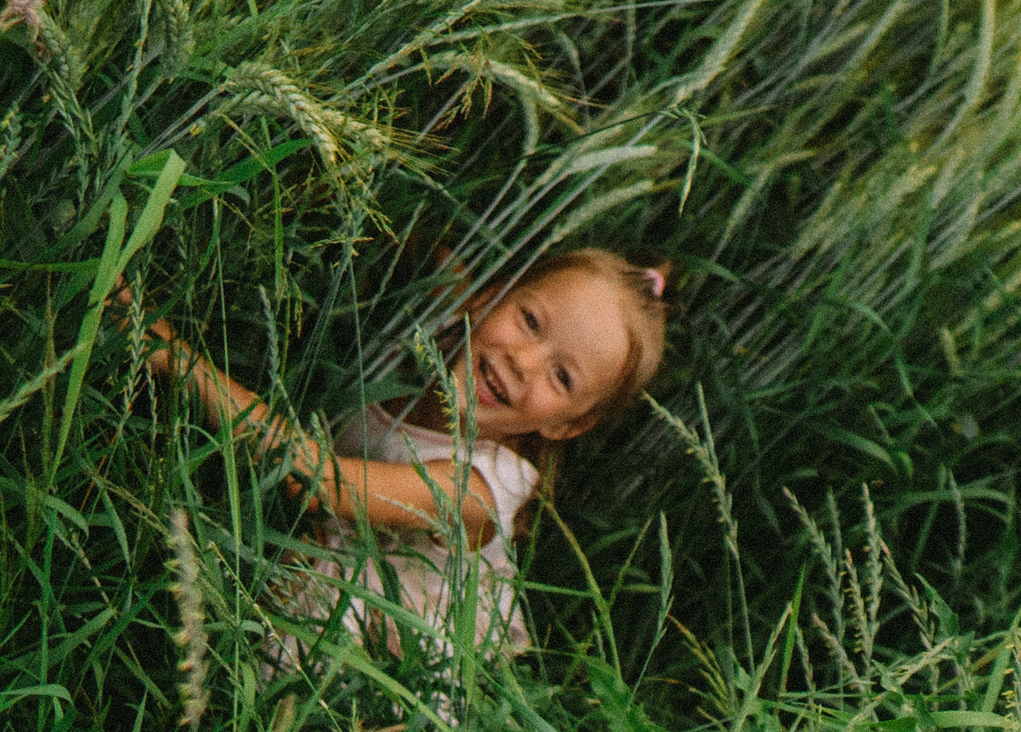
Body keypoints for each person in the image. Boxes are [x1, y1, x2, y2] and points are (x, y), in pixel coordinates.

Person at [128, 247, 674, 671]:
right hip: (307, 569)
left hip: (377, 664)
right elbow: (439, 255)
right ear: (488, 297)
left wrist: (175, 357)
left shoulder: (477, 489)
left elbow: (319, 483)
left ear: (567, 426)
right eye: (530, 321)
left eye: (562, 377)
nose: (523, 361)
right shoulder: (425, 344)